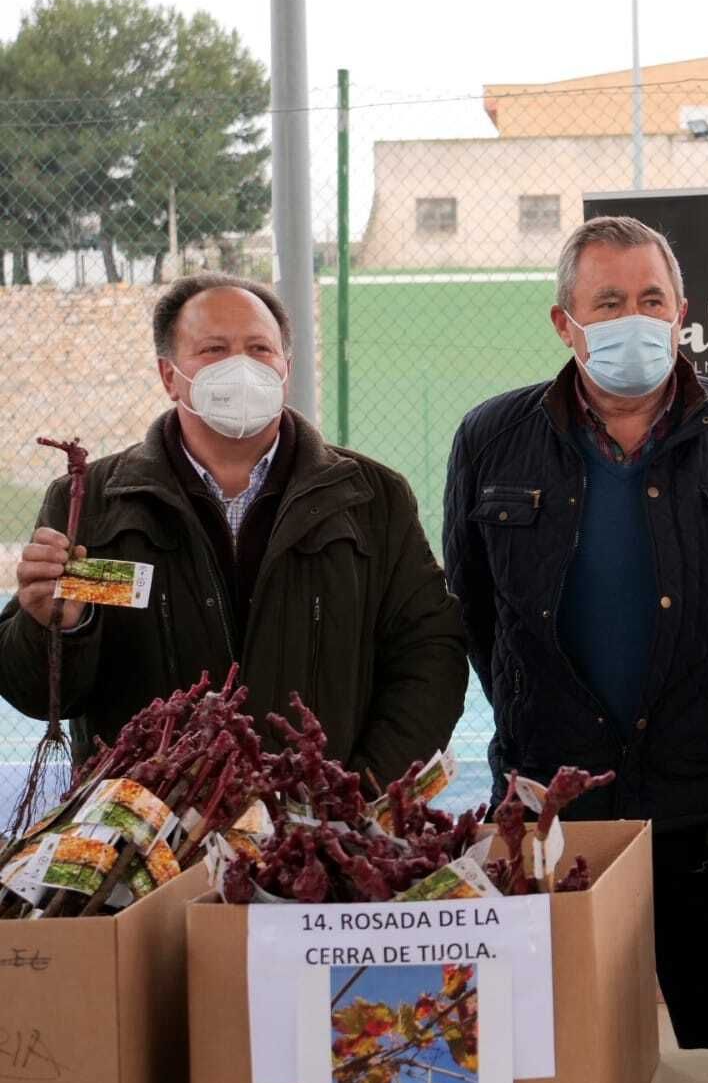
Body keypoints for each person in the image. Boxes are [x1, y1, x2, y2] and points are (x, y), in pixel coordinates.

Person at [443, 215, 708, 1048]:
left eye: (652, 299)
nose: (633, 319)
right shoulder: (491, 439)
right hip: (554, 807)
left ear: (682, 314)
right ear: (564, 322)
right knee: (563, 1048)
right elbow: (475, 606)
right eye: (608, 302)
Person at [0, 273, 468, 783]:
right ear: (169, 375)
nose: (240, 366)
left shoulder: (373, 500)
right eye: (214, 349)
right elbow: (38, 692)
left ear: (286, 369)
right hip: (149, 841)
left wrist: (359, 796)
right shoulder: (91, 504)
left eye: (259, 349)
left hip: (316, 832)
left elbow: (430, 657)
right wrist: (60, 627)